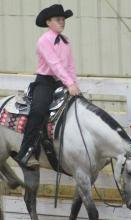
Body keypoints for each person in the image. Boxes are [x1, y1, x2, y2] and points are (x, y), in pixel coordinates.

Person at [15, 4, 80, 168]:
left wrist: (74, 85)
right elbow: (55, 64)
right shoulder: (44, 40)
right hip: (44, 82)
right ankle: (25, 151)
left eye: (63, 19)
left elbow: (70, 66)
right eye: (58, 19)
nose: (62, 22)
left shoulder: (66, 41)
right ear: (49, 22)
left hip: (60, 82)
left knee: (77, 107)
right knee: (38, 110)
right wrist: (69, 83)